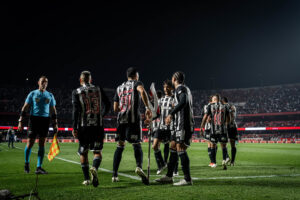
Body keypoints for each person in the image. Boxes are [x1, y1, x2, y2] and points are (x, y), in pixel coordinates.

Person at [112, 67, 152, 185]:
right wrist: (147, 107)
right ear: (136, 76)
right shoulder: (137, 83)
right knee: (136, 144)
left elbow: (115, 108)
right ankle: (139, 167)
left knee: (120, 145)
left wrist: (123, 108)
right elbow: (142, 91)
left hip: (121, 120)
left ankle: (114, 175)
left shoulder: (119, 87)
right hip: (133, 119)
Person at [72, 71, 111, 187]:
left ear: (80, 80)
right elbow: (108, 104)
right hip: (98, 126)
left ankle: (87, 179)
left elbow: (75, 111)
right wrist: (101, 115)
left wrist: (74, 127)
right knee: (97, 152)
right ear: (90, 79)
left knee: (83, 153)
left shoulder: (76, 92)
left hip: (84, 126)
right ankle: (94, 168)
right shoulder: (98, 89)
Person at [155, 71, 194, 186]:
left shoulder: (181, 88)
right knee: (172, 146)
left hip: (183, 124)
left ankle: (187, 179)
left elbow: (183, 101)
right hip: (178, 125)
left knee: (180, 148)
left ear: (174, 79)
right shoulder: (184, 89)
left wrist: (171, 113)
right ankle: (169, 176)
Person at [18, 76, 58, 174]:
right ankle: (26, 163)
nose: (44, 83)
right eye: (42, 81)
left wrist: (55, 123)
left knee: (42, 144)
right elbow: (25, 107)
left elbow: (53, 110)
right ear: (38, 82)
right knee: (30, 143)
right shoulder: (32, 94)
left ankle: (38, 167)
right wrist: (20, 121)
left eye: (46, 82)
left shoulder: (50, 95)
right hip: (34, 120)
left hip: (45, 120)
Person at [152, 81, 178, 175]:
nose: (165, 89)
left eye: (168, 87)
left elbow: (178, 112)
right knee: (154, 146)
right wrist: (150, 118)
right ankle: (162, 164)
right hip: (161, 127)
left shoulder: (175, 99)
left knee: (173, 149)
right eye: (164, 87)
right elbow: (157, 113)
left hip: (172, 128)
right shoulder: (161, 100)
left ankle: (175, 169)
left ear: (172, 88)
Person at [200, 94, 230, 168]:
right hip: (222, 129)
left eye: (213, 99)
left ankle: (213, 162)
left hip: (213, 130)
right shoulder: (225, 106)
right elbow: (228, 118)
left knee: (213, 145)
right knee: (223, 145)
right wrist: (226, 124)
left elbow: (205, 117)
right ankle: (224, 160)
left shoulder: (210, 106)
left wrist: (202, 127)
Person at [221, 97, 238, 166]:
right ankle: (232, 161)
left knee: (223, 143)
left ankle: (227, 158)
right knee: (232, 144)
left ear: (222, 101)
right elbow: (233, 116)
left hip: (226, 126)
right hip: (233, 126)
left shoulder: (223, 107)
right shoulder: (232, 106)